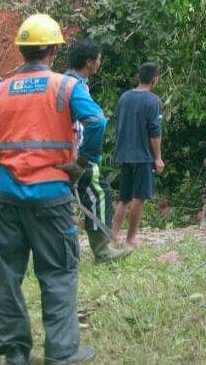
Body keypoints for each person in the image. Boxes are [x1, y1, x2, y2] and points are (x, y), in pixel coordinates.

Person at [0, 14, 103, 364]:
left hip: (6, 196)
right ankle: (61, 354)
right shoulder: (66, 87)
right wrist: (82, 163)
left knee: (8, 275)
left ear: (21, 49)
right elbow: (97, 122)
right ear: (55, 50)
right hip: (52, 195)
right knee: (58, 273)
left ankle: (15, 353)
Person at [64, 38, 130, 263]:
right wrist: (85, 158)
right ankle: (103, 251)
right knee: (98, 193)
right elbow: (96, 122)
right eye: (99, 59)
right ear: (90, 62)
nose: (100, 63)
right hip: (74, 151)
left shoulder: (66, 81)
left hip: (63, 149)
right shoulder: (74, 85)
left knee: (66, 199)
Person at [111, 62, 163, 248]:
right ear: (155, 79)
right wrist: (157, 157)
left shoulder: (124, 98)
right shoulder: (152, 101)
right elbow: (154, 132)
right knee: (138, 197)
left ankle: (114, 234)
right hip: (142, 156)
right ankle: (131, 237)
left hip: (124, 154)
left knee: (124, 198)